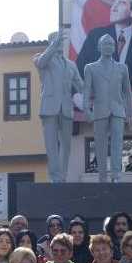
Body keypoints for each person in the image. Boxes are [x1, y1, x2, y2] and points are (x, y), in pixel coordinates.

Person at [75, 0, 132, 102]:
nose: (113, 7)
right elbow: (78, 70)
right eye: (114, 3)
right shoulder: (95, 36)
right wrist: (76, 94)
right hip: (98, 106)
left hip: (130, 109)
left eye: (121, 3)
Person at [82, 33, 132, 183]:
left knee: (118, 144)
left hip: (118, 110)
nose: (108, 47)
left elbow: (127, 92)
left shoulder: (122, 68)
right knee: (100, 145)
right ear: (99, 47)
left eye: (111, 44)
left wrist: (131, 114)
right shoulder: (90, 68)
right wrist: (87, 110)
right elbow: (86, 91)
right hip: (99, 111)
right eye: (105, 44)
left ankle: (116, 176)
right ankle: (102, 177)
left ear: (114, 48)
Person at [35, 30, 83, 183]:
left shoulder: (71, 65)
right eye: (56, 41)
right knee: (51, 146)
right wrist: (53, 45)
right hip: (49, 108)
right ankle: (55, 178)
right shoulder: (42, 59)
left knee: (66, 145)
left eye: (60, 41)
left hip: (66, 109)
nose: (59, 44)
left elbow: (81, 86)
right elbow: (42, 62)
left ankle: (62, 177)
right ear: (50, 43)